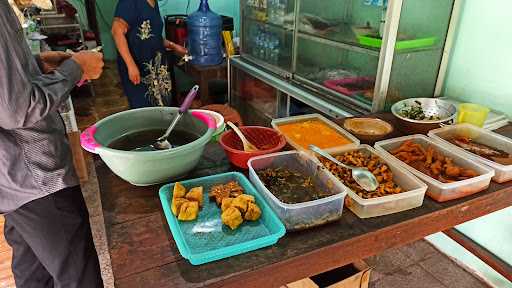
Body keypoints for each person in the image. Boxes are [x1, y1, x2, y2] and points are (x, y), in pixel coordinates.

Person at [1, 1, 105, 287]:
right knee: (79, 278)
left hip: (13, 182)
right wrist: (74, 69)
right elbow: (17, 109)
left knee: (34, 276)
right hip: (39, 178)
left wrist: (35, 66)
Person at [112, 0, 187, 109]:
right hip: (139, 67)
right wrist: (131, 65)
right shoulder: (130, 2)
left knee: (164, 104)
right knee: (144, 107)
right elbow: (116, 31)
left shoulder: (153, 3)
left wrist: (174, 46)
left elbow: (153, 36)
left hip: (157, 67)